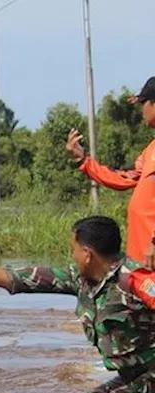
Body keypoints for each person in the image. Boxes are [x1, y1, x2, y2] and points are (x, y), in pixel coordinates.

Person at [0, 216, 155, 393]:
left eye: (73, 250)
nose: (72, 256)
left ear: (87, 254)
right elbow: (27, 279)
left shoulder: (135, 280)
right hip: (132, 374)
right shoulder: (81, 280)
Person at [67, 78, 155, 265]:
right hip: (142, 261)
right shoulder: (151, 150)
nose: (142, 111)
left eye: (143, 103)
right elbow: (124, 178)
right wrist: (84, 161)